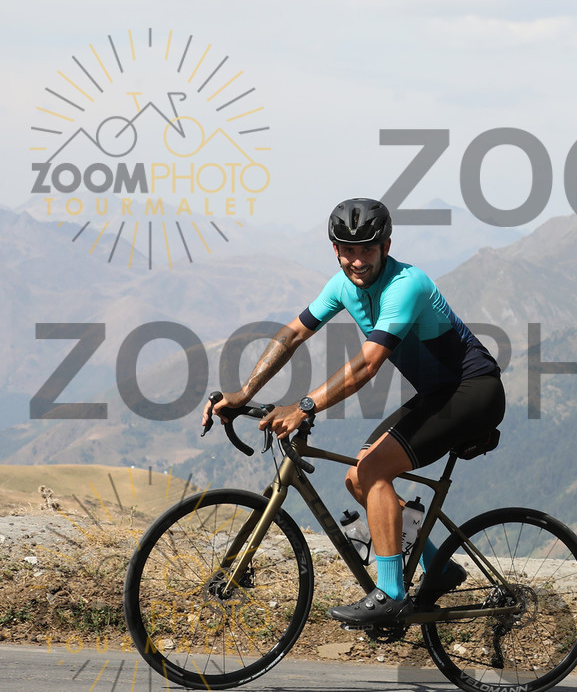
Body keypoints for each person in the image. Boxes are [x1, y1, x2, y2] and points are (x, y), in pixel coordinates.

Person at [201, 198, 505, 626]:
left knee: (374, 470)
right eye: (348, 250)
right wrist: (244, 392)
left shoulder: (407, 285)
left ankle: (391, 595)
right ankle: (438, 567)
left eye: (367, 250)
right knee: (357, 477)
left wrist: (305, 405)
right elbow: (292, 335)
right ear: (335, 249)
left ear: (386, 247)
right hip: (439, 394)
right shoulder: (342, 285)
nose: (357, 261)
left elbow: (368, 364)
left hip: (475, 391)